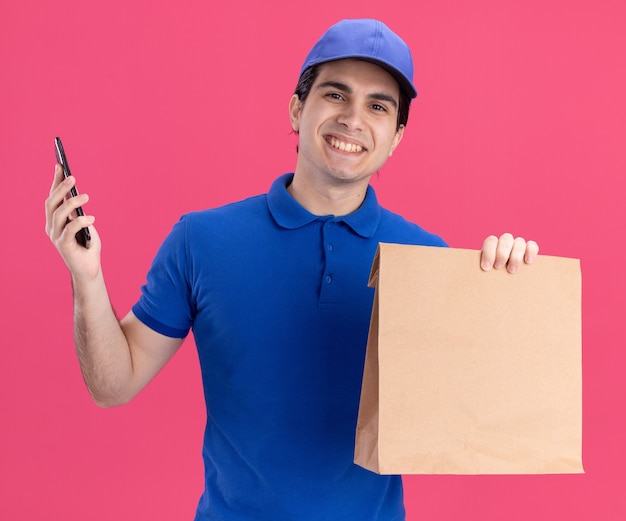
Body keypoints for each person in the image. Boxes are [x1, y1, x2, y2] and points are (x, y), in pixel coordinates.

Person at [45, 18, 539, 521]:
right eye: (335, 94)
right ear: (297, 107)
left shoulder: (426, 260)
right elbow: (114, 383)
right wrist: (86, 277)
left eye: (377, 106)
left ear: (396, 137)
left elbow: (472, 413)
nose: (352, 119)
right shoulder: (201, 241)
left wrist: (505, 293)